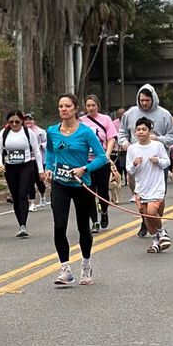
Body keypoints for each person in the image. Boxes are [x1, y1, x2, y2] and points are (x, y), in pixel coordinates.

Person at [42, 93, 109, 287]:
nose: (63, 109)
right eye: (61, 106)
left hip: (82, 185)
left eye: (67, 106)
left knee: (82, 227)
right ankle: (65, 269)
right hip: (60, 184)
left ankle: (86, 265)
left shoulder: (86, 132)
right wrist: (48, 167)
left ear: (75, 109)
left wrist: (84, 169)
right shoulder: (52, 131)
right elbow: (50, 151)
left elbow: (101, 157)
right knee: (59, 226)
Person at [117, 86, 173, 237]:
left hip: (156, 160)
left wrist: (159, 138)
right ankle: (145, 220)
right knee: (140, 193)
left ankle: (157, 221)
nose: (144, 103)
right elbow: (122, 132)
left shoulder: (164, 114)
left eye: (147, 100)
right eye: (141, 100)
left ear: (153, 99)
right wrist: (124, 142)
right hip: (137, 158)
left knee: (158, 195)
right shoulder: (130, 113)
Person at [127, 115, 172, 251]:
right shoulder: (132, 149)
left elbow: (167, 162)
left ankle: (162, 232)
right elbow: (129, 168)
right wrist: (134, 164)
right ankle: (155, 241)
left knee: (152, 212)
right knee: (146, 217)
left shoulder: (157, 146)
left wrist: (158, 160)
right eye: (138, 129)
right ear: (135, 132)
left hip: (156, 186)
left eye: (144, 129)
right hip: (141, 187)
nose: (141, 132)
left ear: (149, 131)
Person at [0, 110, 39, 238]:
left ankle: (23, 225)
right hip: (10, 167)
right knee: (15, 197)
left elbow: (36, 151)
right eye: (11, 122)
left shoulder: (28, 132)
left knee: (22, 194)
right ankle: (20, 223)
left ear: (22, 121)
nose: (14, 124)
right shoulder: (4, 133)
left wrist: (41, 171)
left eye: (17, 121)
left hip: (26, 166)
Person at [82, 95, 118, 229]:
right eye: (88, 105)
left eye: (93, 105)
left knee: (102, 191)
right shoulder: (81, 121)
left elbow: (111, 138)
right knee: (89, 192)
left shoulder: (106, 119)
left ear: (98, 106)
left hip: (102, 161)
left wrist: (106, 155)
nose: (91, 108)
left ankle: (104, 211)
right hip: (87, 162)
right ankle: (94, 221)